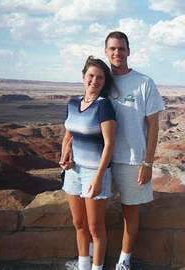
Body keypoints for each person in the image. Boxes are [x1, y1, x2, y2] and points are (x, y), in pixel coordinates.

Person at [105, 31, 165, 270]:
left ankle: (124, 260)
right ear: (106, 52)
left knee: (130, 212)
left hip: (132, 161)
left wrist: (148, 163)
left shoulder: (144, 83)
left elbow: (154, 126)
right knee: (95, 212)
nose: (117, 53)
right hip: (103, 162)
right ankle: (91, 259)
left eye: (121, 48)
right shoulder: (101, 80)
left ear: (128, 51)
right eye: (112, 49)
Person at [59, 56, 116, 270]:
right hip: (74, 171)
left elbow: (109, 144)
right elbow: (68, 135)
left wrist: (100, 177)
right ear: (83, 77)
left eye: (100, 77)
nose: (94, 81)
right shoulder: (72, 103)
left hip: (94, 172)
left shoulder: (104, 106)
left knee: (95, 227)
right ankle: (83, 265)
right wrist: (64, 157)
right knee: (79, 224)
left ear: (104, 82)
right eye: (91, 76)